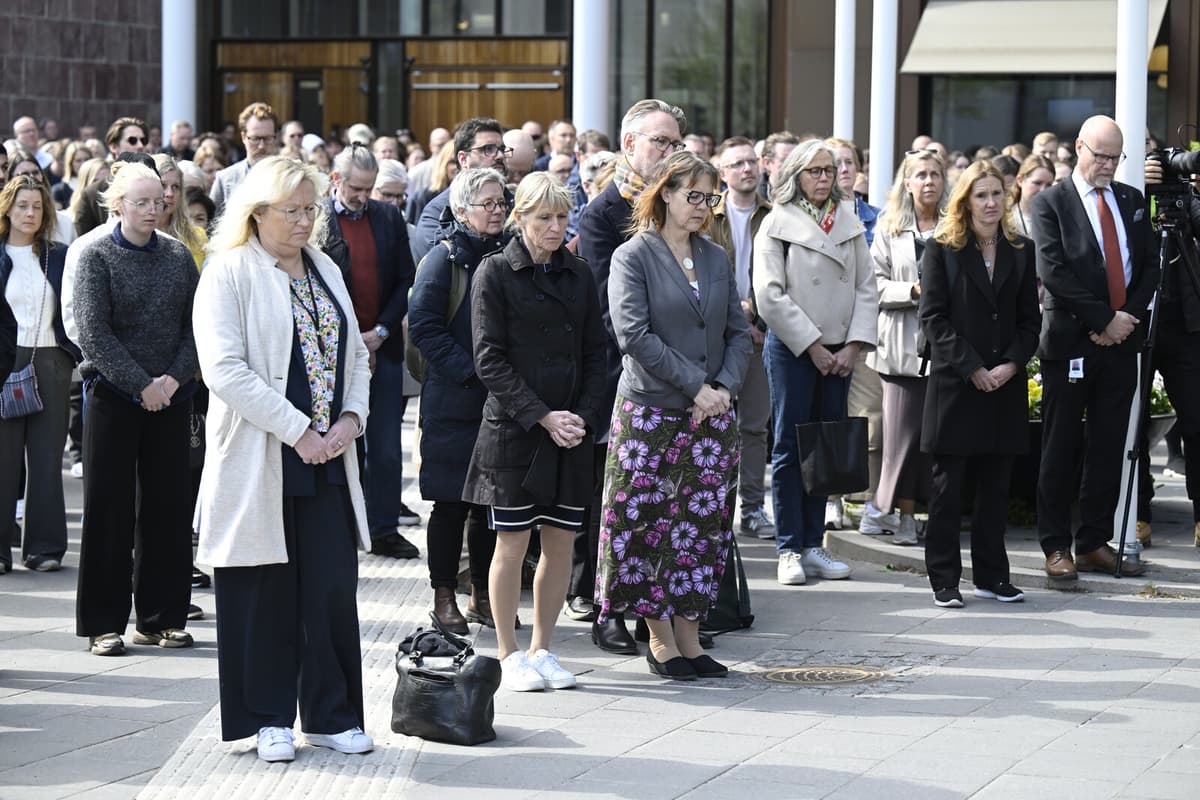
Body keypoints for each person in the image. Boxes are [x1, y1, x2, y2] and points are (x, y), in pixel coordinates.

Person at [193, 156, 374, 762]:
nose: (305, 222)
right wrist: (299, 430)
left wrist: (351, 417)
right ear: (257, 211)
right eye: (292, 211)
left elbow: (357, 357)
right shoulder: (229, 271)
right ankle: (266, 718)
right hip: (262, 454)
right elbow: (224, 370)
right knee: (261, 589)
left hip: (327, 456)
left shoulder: (324, 266)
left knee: (328, 589)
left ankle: (330, 714)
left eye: (310, 210)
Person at [598, 151, 751, 680]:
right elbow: (634, 336)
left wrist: (724, 387)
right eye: (694, 196)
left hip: (713, 419)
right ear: (665, 192)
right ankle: (659, 640)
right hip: (651, 416)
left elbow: (738, 330)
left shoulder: (715, 257)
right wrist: (696, 386)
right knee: (648, 528)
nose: (704, 208)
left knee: (701, 529)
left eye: (712, 198)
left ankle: (691, 638)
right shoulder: (633, 256)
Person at [462, 172, 607, 692]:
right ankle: (507, 652)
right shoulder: (494, 273)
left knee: (562, 542)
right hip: (516, 431)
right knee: (512, 541)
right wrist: (542, 415)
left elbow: (598, 354)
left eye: (562, 217)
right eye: (543, 217)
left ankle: (544, 648)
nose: (554, 227)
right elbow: (489, 360)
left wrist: (582, 418)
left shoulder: (580, 273)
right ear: (519, 218)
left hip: (570, 429)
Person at [73, 163, 199, 656]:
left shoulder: (177, 256)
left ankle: (162, 617)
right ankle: (104, 623)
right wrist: (141, 384)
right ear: (117, 204)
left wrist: (171, 378)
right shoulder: (96, 255)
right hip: (113, 398)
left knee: (167, 511)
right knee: (109, 511)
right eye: (142, 201)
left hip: (171, 397)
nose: (153, 209)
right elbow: (93, 332)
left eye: (160, 201)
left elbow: (197, 326)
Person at [577, 98, 686, 652]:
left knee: (668, 499)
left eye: (675, 143)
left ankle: (664, 607)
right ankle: (607, 608)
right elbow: (607, 310)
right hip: (623, 373)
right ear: (628, 146)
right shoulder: (604, 213)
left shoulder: (677, 208)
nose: (670, 152)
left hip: (679, 375)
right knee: (617, 497)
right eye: (659, 142)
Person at [1032, 115, 1156, 580]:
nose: (1107, 165)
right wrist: (1104, 320)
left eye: (1115, 157)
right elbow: (1055, 272)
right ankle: (1055, 544)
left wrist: (1125, 321)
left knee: (1109, 444)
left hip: (1122, 344)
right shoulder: (1051, 203)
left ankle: (1093, 540)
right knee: (1060, 445)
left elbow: (1147, 268)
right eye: (1099, 155)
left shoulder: (1131, 200)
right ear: (1079, 147)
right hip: (1071, 343)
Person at [754, 139, 879, 586]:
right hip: (795, 350)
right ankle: (788, 546)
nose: (824, 178)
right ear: (796, 175)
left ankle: (813, 543)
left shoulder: (848, 221)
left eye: (829, 170)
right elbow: (769, 294)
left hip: (840, 351)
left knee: (825, 447)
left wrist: (853, 347)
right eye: (814, 171)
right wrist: (813, 346)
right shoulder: (775, 223)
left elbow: (867, 286)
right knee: (790, 445)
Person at [919, 161, 1041, 607]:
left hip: (1005, 383)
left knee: (996, 486)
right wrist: (972, 367)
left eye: (997, 194)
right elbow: (933, 317)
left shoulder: (1021, 249)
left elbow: (1031, 319)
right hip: (956, 382)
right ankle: (945, 579)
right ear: (965, 201)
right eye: (981, 195)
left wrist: (1011, 363)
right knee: (948, 488)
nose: (991, 203)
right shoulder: (942, 249)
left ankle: (993, 575)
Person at [408, 167, 506, 633]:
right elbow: (424, 326)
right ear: (462, 209)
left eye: (501, 202)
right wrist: (472, 372)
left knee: (490, 504)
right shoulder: (442, 260)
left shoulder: (508, 253)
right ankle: (443, 594)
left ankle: (482, 593)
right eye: (486, 203)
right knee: (450, 505)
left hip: (498, 403)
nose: (497, 210)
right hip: (453, 401)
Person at [321, 145, 420, 558]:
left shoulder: (388, 216)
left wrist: (379, 331)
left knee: (383, 445)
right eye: (356, 188)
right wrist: (351, 339)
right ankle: (343, 526)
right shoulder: (317, 221)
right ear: (336, 180)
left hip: (384, 342)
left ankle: (382, 527)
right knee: (340, 439)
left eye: (369, 188)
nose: (363, 196)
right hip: (335, 350)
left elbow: (404, 278)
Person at [864, 150, 948, 545]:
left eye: (935, 174)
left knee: (935, 440)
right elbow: (872, 285)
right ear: (908, 183)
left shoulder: (954, 228)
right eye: (921, 175)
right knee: (902, 439)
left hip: (946, 349)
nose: (929, 181)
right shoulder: (889, 227)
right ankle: (892, 512)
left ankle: (926, 516)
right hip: (900, 347)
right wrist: (912, 290)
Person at [0, 176, 80, 574]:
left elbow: (72, 309)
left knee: (47, 459)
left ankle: (44, 548)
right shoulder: (0, 255)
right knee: (4, 458)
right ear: (7, 210)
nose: (30, 213)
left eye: (37, 206)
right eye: (22, 206)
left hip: (52, 361)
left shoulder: (58, 256)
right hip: (6, 363)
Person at [708, 136, 773, 539]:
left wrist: (760, 321)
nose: (747, 169)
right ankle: (715, 511)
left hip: (761, 335)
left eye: (751, 161)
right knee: (712, 427)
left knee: (754, 427)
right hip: (713, 336)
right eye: (737, 164)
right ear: (722, 173)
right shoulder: (706, 214)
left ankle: (751, 508)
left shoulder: (774, 214)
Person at [414, 118, 511, 259]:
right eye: (488, 149)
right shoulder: (437, 213)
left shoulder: (513, 202)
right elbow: (440, 267)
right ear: (463, 159)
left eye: (502, 149)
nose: (500, 156)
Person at [74, 117, 149, 236]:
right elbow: (82, 243)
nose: (140, 145)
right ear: (113, 147)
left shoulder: (159, 185)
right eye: (132, 140)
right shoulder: (92, 194)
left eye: (143, 140)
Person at [210, 102, 278, 216]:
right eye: (255, 138)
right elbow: (211, 227)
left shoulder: (290, 177)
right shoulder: (225, 179)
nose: (261, 146)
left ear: (275, 137)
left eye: (267, 138)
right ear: (243, 137)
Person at [152, 154, 207, 268]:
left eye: (175, 187)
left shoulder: (198, 237)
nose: (170, 194)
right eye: (163, 185)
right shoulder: (136, 236)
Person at [1008, 155, 1055, 238]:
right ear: (1020, 180)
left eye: (1048, 185)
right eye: (1037, 183)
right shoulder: (1006, 218)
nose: (1043, 190)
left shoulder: (1056, 218)